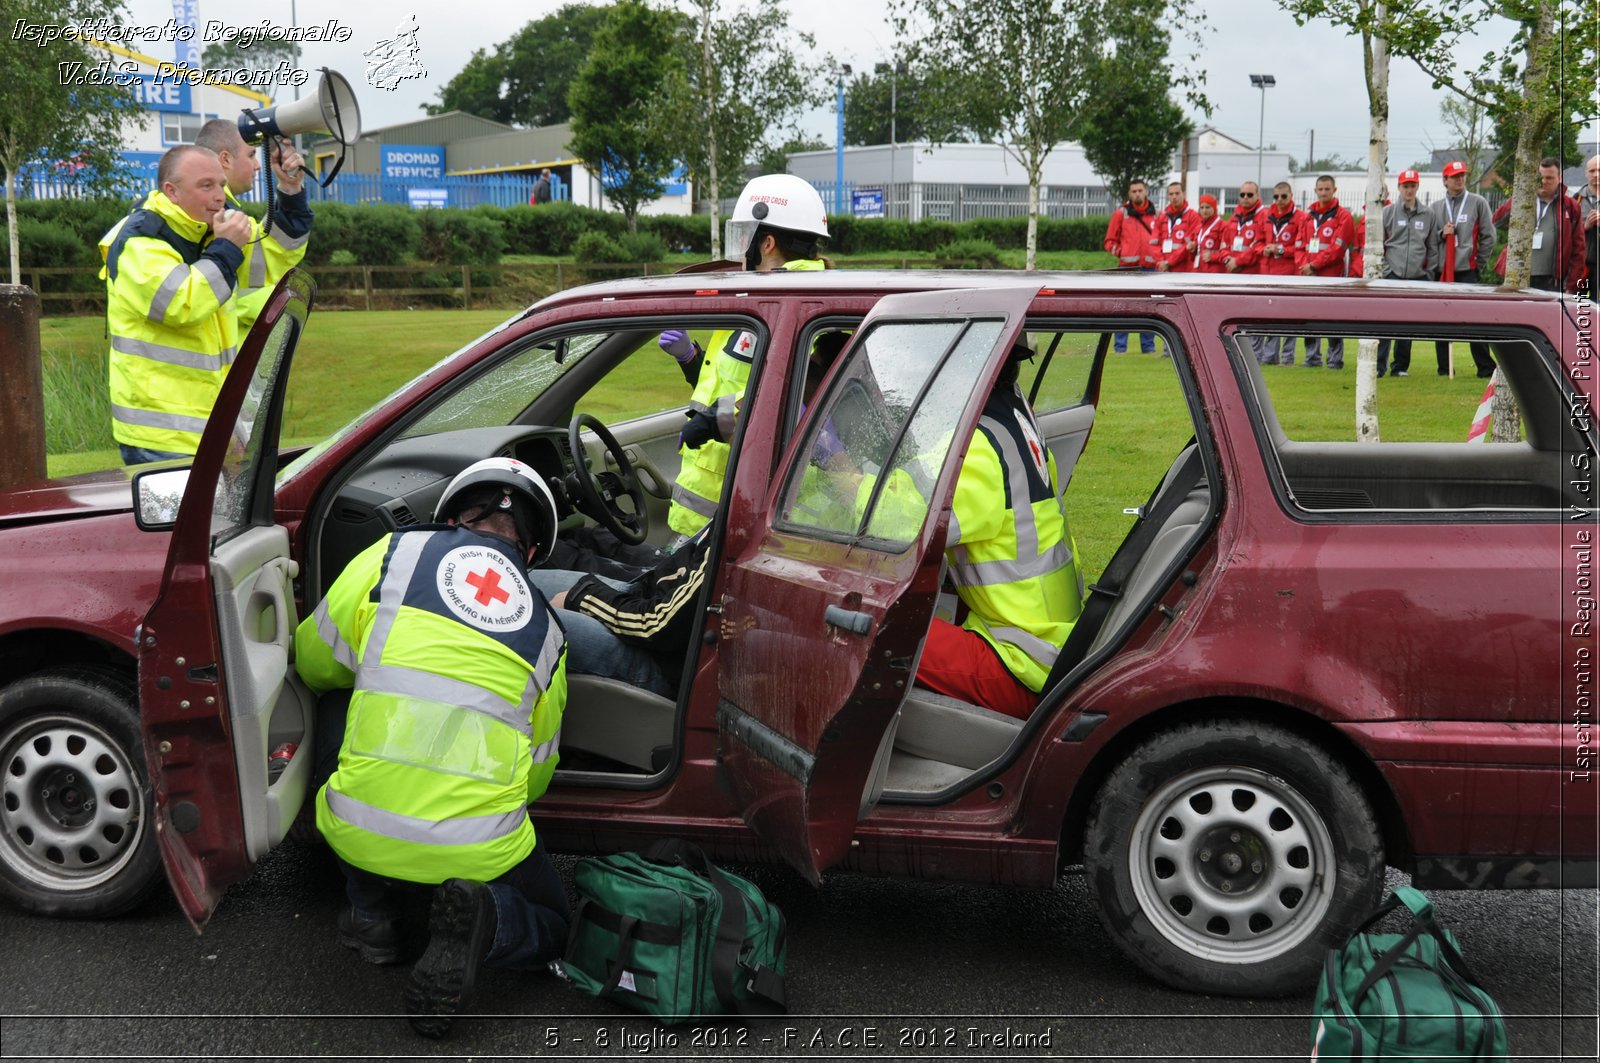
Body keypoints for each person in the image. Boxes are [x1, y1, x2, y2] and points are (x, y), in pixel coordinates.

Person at [294, 457, 571, 1039]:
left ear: (449, 516)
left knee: (340, 699)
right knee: (556, 922)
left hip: (355, 826)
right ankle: (487, 921)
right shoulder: (548, 631)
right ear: (534, 551)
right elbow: (537, 777)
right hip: (479, 850)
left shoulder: (393, 556)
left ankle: (371, 915)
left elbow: (315, 660)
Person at [915, 342, 1085, 719]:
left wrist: (849, 479)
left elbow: (903, 526)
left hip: (1020, 663)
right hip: (1050, 644)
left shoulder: (976, 445)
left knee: (868, 630)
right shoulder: (1015, 426)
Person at [664, 173, 831, 540]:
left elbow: (796, 401)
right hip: (717, 513)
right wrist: (691, 359)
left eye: (747, 239)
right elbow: (738, 380)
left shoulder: (800, 308)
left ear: (767, 242)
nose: (742, 252)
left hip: (748, 511)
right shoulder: (766, 300)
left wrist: (713, 421)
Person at [99, 145, 253, 465]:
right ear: (172, 191)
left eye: (222, 185)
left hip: (211, 428)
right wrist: (226, 249)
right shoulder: (141, 241)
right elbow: (182, 304)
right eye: (206, 185)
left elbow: (273, 261)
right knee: (179, 519)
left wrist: (291, 192)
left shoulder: (207, 235)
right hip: (160, 435)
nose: (220, 196)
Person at [193, 119, 312, 333]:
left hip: (230, 362)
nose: (258, 165)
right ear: (225, 159)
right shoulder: (202, 216)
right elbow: (191, 302)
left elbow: (276, 249)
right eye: (251, 155)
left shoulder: (230, 218)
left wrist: (290, 187)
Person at [1429, 160, 1498, 378]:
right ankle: (1444, 368)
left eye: (1462, 175)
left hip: (1467, 269)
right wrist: (1442, 234)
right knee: (1441, 320)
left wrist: (1478, 263)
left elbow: (1489, 235)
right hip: (1444, 270)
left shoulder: (1478, 202)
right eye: (1455, 176)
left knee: (1475, 319)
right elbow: (1430, 239)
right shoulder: (1436, 207)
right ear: (1445, 180)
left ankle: (1485, 367)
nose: (1459, 179)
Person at [1376, 170, 1440, 378]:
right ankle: (1379, 366)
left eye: (1413, 186)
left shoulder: (1428, 214)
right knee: (1384, 322)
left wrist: (1428, 273)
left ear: (1417, 187)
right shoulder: (1388, 213)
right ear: (1399, 188)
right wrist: (1385, 270)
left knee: (1407, 324)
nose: (1409, 190)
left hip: (1416, 276)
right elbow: (1379, 244)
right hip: (1392, 274)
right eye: (1406, 186)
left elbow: (1432, 247)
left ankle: (1400, 367)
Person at [1492, 156, 1587, 294]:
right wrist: (1518, 196)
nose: (1543, 182)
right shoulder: (1522, 199)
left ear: (1559, 178)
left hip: (1552, 280)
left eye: (1549, 178)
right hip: (1519, 277)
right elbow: (1496, 221)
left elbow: (1579, 249)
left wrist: (1571, 286)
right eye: (1540, 177)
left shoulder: (1570, 206)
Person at [1298, 175, 1356, 369]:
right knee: (1309, 318)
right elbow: (1299, 245)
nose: (1323, 193)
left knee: (1333, 318)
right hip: (1308, 276)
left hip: (1331, 276)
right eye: (1320, 189)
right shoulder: (1308, 216)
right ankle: (1312, 357)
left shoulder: (1343, 216)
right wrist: (1304, 266)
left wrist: (1315, 265)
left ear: (1334, 190)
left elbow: (1338, 249)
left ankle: (1334, 359)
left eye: (1327, 189)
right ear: (1315, 191)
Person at [1102, 179, 1158, 353]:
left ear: (1146, 191)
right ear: (1129, 193)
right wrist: (1122, 253)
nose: (1137, 194)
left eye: (1140, 190)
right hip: (1127, 268)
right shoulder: (1121, 213)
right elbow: (1109, 241)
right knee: (1123, 307)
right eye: (1134, 191)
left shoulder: (1156, 213)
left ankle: (1148, 348)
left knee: (1149, 309)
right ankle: (1120, 348)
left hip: (1150, 267)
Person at [1258, 182, 1306, 365]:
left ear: (1291, 195)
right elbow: (1258, 242)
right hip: (1268, 273)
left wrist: (1280, 250)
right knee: (1268, 318)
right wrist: (1264, 248)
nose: (1279, 200)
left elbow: (1302, 248)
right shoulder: (1266, 216)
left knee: (1288, 319)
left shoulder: (1301, 218)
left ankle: (1288, 358)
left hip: (1288, 275)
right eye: (1276, 197)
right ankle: (1269, 356)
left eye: (1283, 196)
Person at [1154, 182, 1200, 273]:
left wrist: (1169, 262)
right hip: (1162, 268)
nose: (1174, 197)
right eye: (1171, 194)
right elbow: (1153, 243)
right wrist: (1160, 262)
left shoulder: (1193, 216)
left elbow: (1188, 245)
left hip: (1183, 269)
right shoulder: (1162, 217)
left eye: (1177, 193)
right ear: (1168, 196)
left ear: (1184, 194)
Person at [1190, 194, 1229, 274]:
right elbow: (1195, 253)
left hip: (1214, 271)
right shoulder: (1198, 227)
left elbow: (1228, 251)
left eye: (1207, 207)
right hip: (1198, 269)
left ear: (1214, 208)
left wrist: (1213, 257)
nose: (1204, 211)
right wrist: (1192, 249)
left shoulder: (1223, 226)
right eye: (1202, 208)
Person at [1580, 154, 1600, 302]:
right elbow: (1564, 232)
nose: (1596, 174)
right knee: (1580, 308)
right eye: (1592, 170)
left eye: (1599, 170)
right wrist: (1584, 226)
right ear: (1586, 173)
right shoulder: (1574, 199)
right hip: (1582, 267)